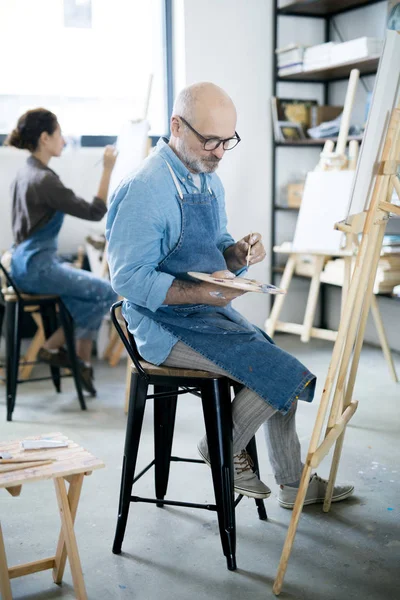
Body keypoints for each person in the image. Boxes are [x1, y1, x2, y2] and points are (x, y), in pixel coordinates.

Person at [106, 82, 354, 507]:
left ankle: (293, 485)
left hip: (203, 313)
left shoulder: (206, 179)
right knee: (281, 373)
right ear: (176, 127)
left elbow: (215, 245)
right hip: (160, 325)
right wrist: (202, 291)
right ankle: (220, 445)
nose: (220, 152)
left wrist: (237, 253)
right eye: (210, 140)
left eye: (227, 141)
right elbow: (127, 279)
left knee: (277, 361)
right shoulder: (145, 188)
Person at [5, 108, 118, 395]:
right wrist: (107, 169)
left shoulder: (25, 172)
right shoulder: (45, 181)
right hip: (37, 269)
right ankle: (52, 348)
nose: (64, 140)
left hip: (24, 264)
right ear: (45, 138)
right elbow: (95, 211)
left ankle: (80, 362)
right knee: (105, 291)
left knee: (84, 291)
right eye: (59, 134)